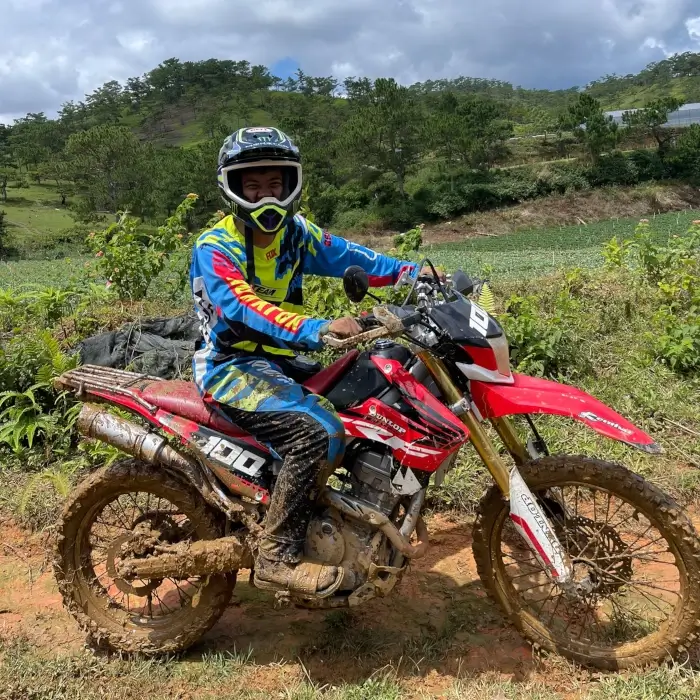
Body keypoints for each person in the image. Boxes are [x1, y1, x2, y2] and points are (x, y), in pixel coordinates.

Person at [190, 126, 427, 598]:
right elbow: (241, 307)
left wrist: (413, 275)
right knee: (317, 432)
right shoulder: (214, 247)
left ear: (292, 184)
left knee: (376, 384)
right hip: (230, 366)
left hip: (282, 361)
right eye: (252, 186)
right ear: (232, 189)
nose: (266, 197)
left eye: (275, 184)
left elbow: (350, 256)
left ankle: (346, 512)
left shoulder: (298, 236)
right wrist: (317, 328)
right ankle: (276, 553)